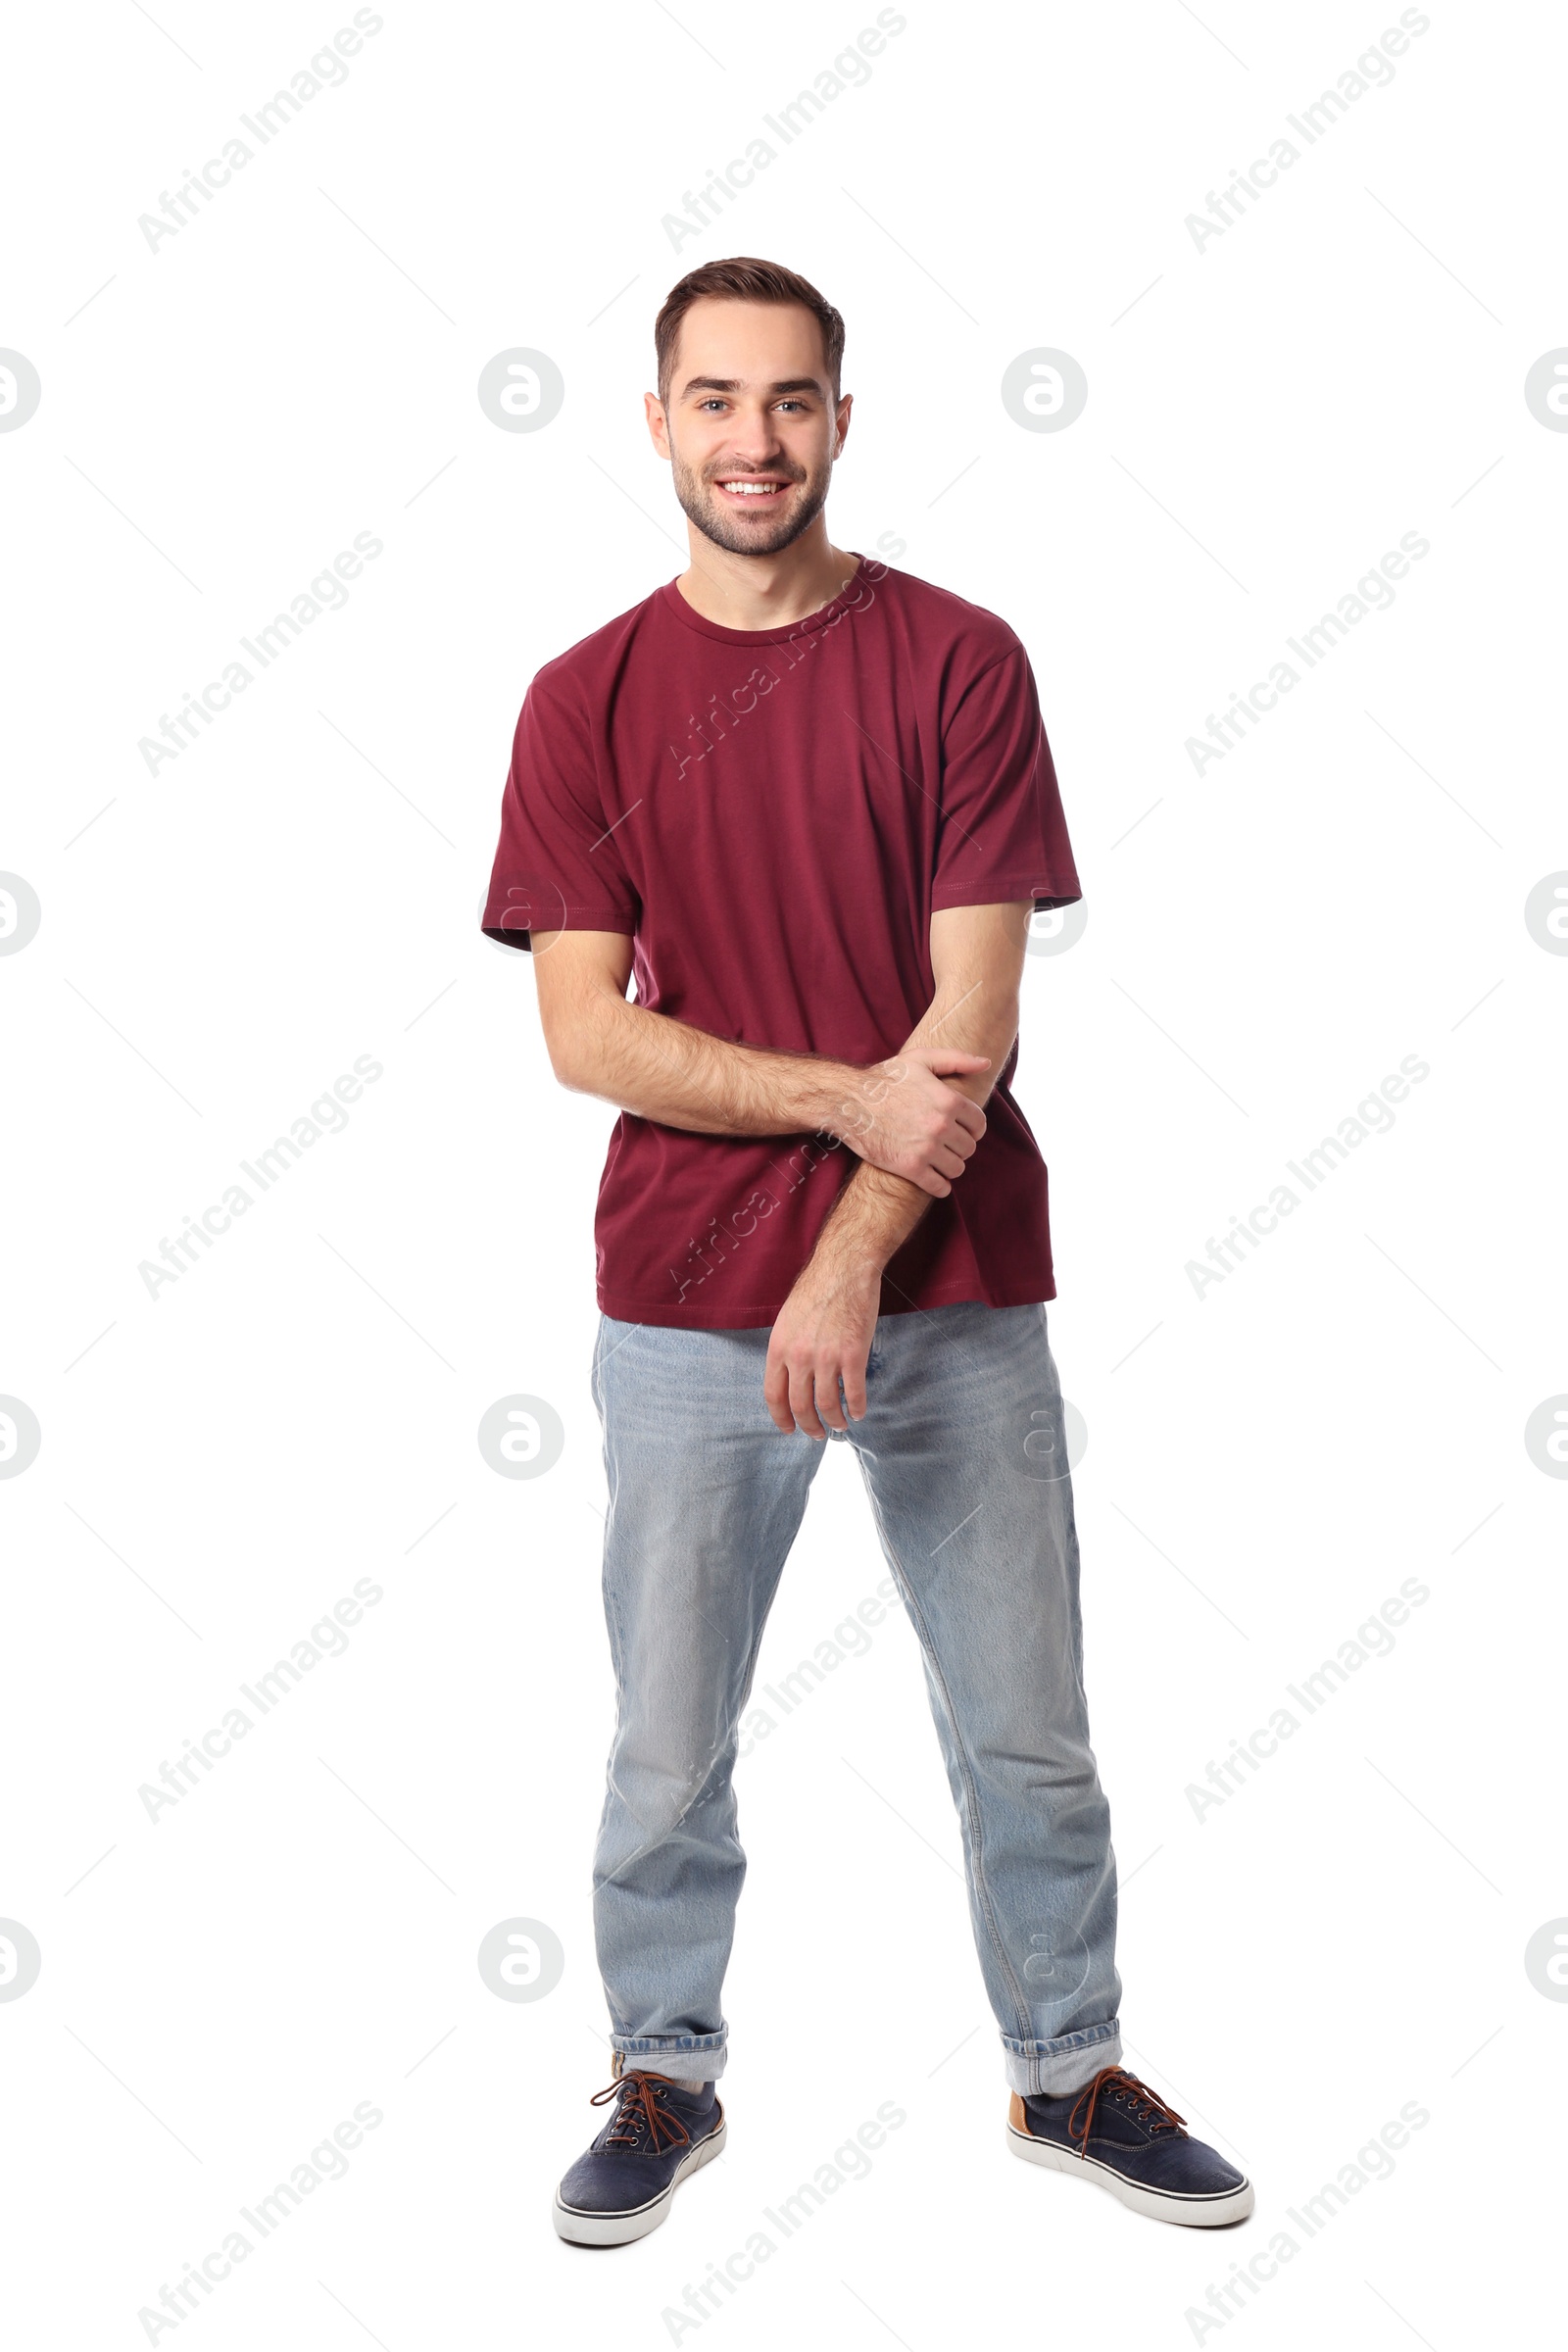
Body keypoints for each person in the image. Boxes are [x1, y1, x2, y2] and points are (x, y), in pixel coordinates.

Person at [481, 256, 1253, 2245]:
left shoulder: (955, 663)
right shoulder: (579, 702)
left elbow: (969, 1027)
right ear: (655, 426)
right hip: (675, 1307)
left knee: (1027, 1726)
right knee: (667, 1736)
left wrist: (844, 1265)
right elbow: (586, 1037)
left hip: (955, 1292)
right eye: (716, 402)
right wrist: (838, 1104)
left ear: (842, 420)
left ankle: (1064, 2074)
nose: (755, 440)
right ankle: (663, 2075)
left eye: (793, 401)